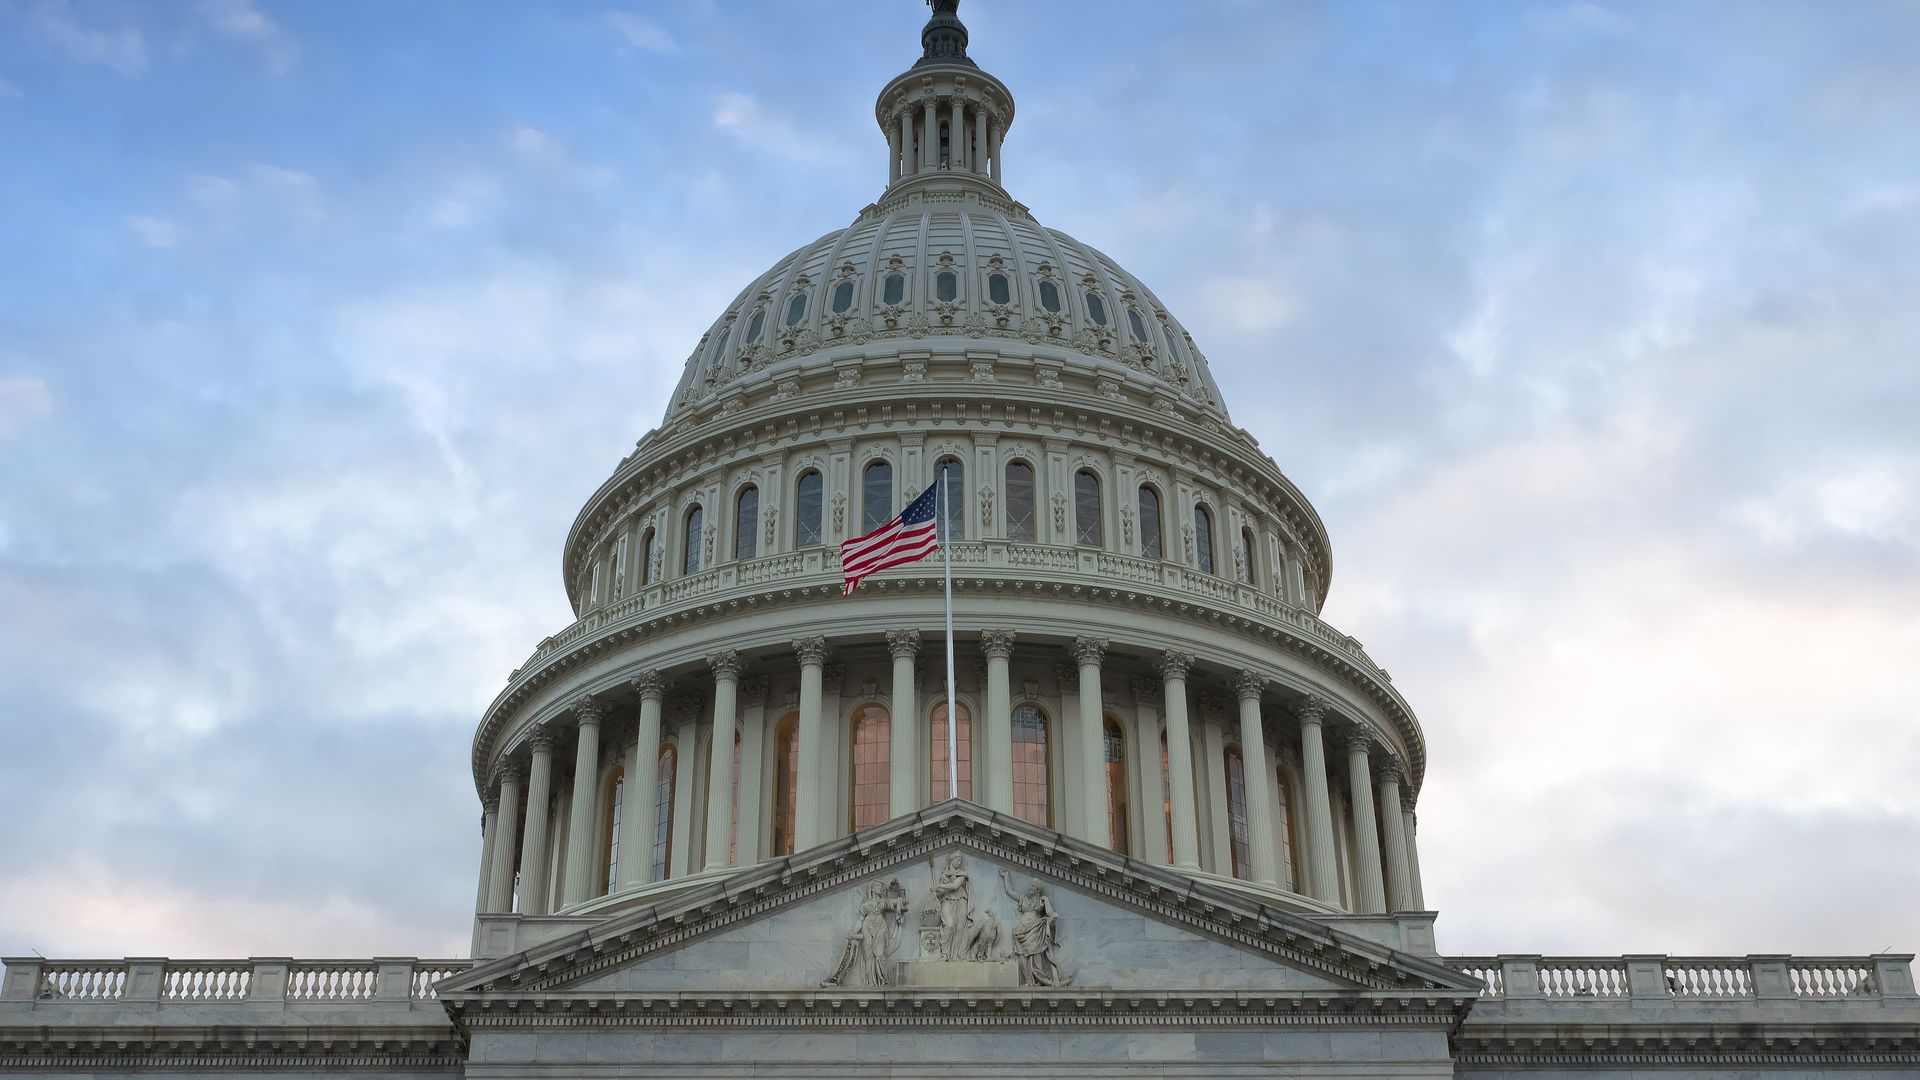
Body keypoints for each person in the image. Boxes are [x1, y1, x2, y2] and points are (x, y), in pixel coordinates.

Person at [1000, 869, 1068, 986]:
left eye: (1032, 886)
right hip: (1021, 930)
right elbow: (1009, 891)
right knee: (1021, 955)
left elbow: (1050, 913)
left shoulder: (1042, 901)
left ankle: (1040, 979)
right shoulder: (1024, 899)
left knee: (1036, 956)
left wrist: (1047, 904)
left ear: (1037, 889)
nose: (1029, 888)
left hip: (1036, 929)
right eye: (1030, 886)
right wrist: (1006, 876)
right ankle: (1028, 980)